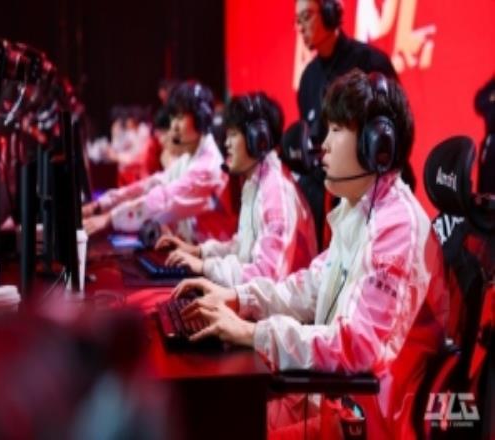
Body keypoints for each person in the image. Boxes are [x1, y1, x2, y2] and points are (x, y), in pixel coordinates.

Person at [173, 70, 449, 439]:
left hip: (366, 421)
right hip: (329, 399)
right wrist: (238, 298)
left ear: (376, 145)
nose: (324, 145)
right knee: (208, 415)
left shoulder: (397, 226)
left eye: (336, 130)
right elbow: (311, 286)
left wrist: (253, 332)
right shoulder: (358, 208)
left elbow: (358, 346)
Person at [157, 93, 317, 287]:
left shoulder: (275, 192)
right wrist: (199, 252)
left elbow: (266, 275)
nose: (226, 144)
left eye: (233, 135)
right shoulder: (256, 182)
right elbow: (244, 249)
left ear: (258, 139)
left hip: (276, 304)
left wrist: (205, 267)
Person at [295, 0, 397, 250]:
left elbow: (392, 134)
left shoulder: (370, 62)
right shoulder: (308, 78)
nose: (301, 27)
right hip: (326, 192)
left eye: (306, 16)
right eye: (297, 21)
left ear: (330, 12)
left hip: (370, 192)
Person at [83, 81, 236, 243]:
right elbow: (152, 184)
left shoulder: (207, 166)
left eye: (180, 117)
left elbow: (164, 199)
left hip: (210, 254)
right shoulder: (189, 158)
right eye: (173, 117)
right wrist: (101, 205)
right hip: (193, 249)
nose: (174, 126)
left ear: (201, 119)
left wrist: (109, 219)